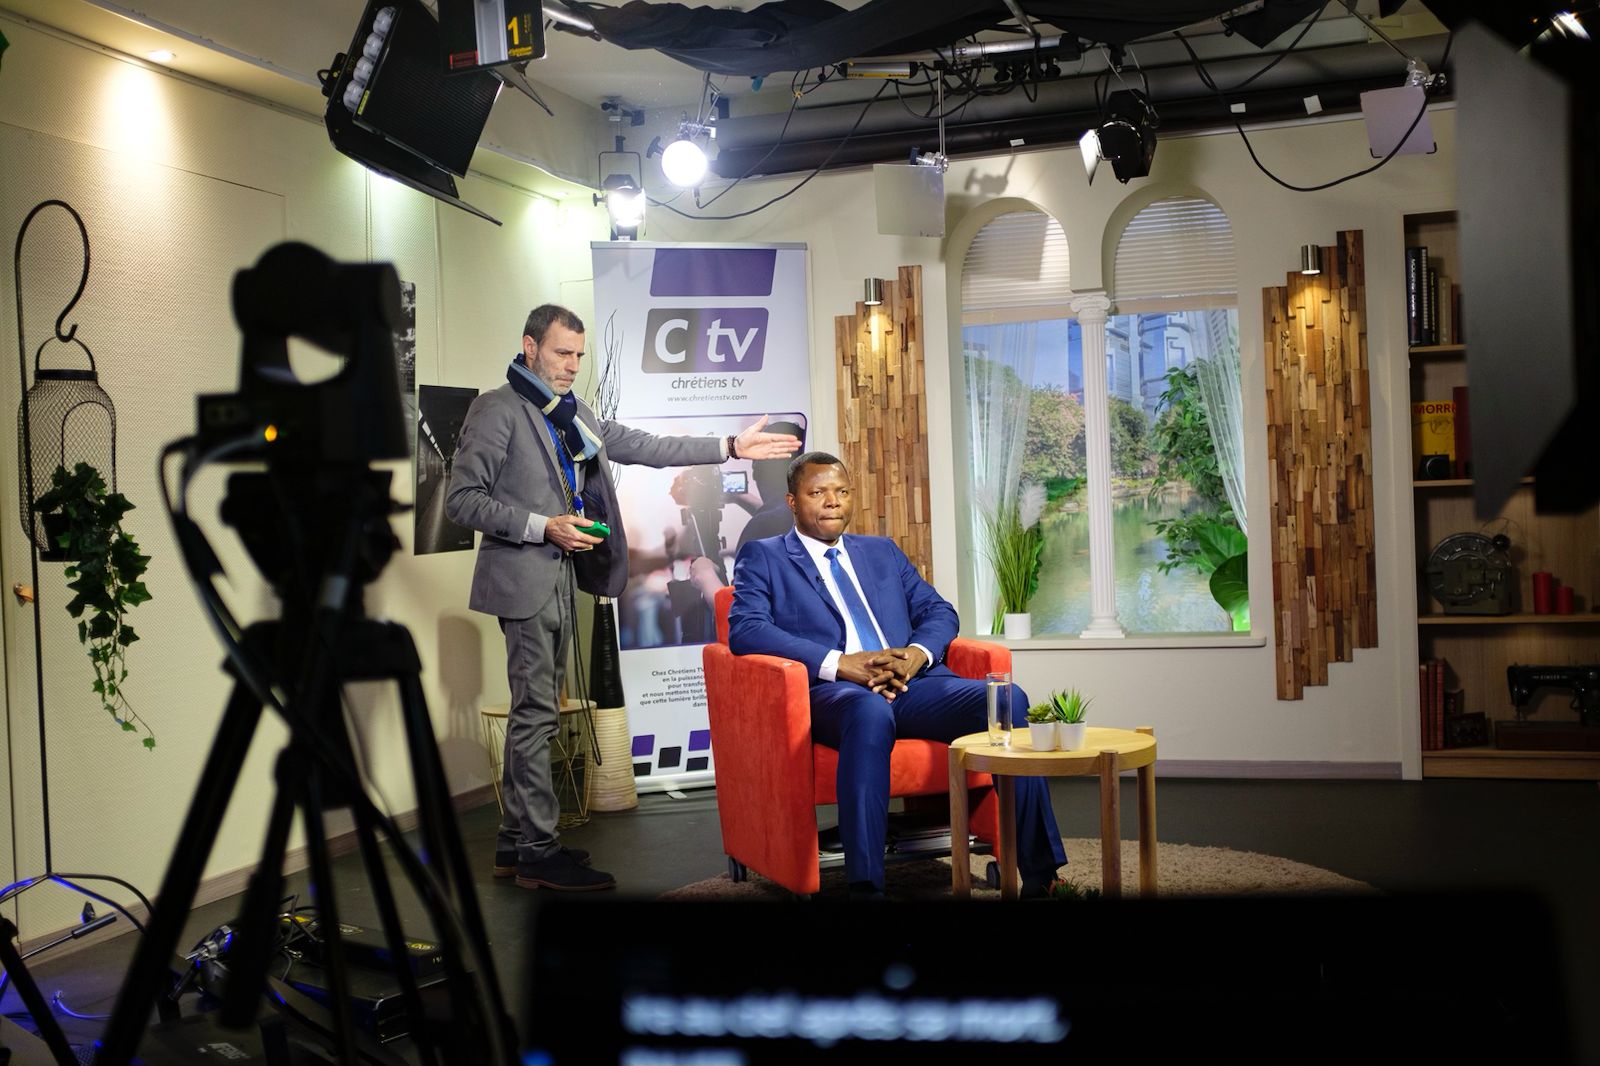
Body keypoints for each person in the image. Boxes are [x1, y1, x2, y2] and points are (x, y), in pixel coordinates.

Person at [446, 304, 800, 891]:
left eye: (579, 356)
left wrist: (729, 446)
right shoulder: (497, 409)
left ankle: (515, 844)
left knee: (539, 715)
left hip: (564, 575)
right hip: (524, 577)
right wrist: (544, 525)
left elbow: (642, 444)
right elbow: (463, 500)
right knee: (535, 715)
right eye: (562, 353)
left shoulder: (574, 414)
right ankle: (536, 850)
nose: (572, 367)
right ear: (529, 347)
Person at [728, 451, 1067, 899]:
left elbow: (938, 611)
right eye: (818, 493)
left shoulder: (881, 551)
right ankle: (866, 887)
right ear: (792, 501)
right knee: (869, 712)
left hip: (914, 686)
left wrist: (916, 653)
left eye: (841, 492)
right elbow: (746, 629)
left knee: (1007, 699)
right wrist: (839, 663)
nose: (832, 502)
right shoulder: (765, 556)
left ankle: (1042, 878)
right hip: (837, 694)